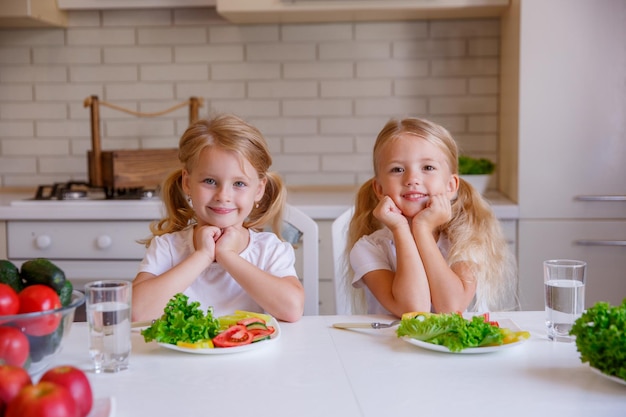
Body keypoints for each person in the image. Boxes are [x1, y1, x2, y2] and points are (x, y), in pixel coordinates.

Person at [132, 114, 304, 322]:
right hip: (180, 356)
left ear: (258, 190)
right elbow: (137, 312)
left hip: (251, 355)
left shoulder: (269, 250)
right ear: (187, 183)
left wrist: (227, 255)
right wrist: (203, 256)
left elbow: (292, 309)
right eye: (210, 181)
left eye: (239, 184)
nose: (223, 196)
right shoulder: (168, 248)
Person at [347, 117, 517, 317]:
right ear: (379, 188)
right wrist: (402, 229)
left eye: (428, 168)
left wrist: (422, 230)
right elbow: (413, 310)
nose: (412, 179)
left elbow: (451, 308)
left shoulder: (465, 241)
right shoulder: (369, 248)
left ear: (451, 186)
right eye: (397, 169)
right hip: (390, 346)